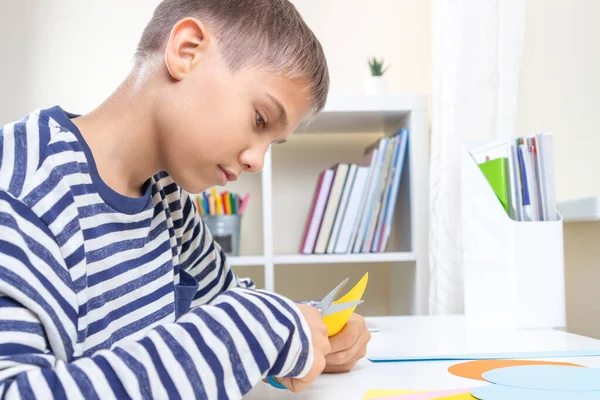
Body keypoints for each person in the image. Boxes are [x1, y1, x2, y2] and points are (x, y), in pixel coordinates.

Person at [0, 0, 371, 398]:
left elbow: (227, 302)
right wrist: (252, 332)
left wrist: (309, 325)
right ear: (187, 51)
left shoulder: (168, 198)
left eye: (272, 143)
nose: (257, 161)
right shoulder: (21, 189)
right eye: (260, 119)